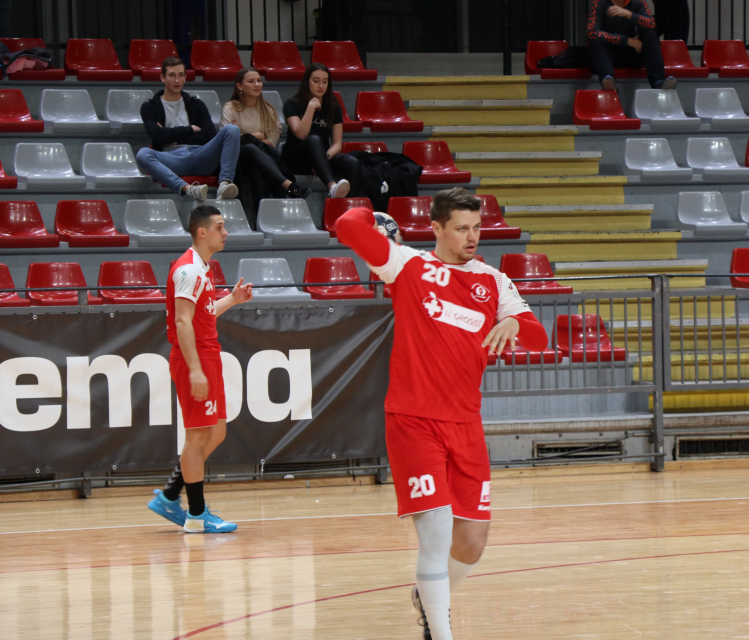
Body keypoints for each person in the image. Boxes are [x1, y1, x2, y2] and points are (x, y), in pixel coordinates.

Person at [334, 188, 549, 640]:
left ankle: (430, 598)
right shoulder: (407, 265)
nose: (472, 237)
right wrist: (373, 212)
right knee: (435, 532)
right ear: (436, 228)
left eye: (477, 228)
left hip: (466, 424)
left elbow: (538, 338)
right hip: (413, 420)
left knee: (471, 543)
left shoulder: (493, 281)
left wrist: (514, 320)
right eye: (461, 228)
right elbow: (348, 225)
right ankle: (440, 630)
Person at [147, 204, 254, 534]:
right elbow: (182, 322)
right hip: (195, 358)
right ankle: (195, 515)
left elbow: (201, 315)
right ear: (202, 232)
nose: (226, 232)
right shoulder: (189, 270)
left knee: (216, 432)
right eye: (220, 227)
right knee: (197, 437)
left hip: (207, 355)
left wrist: (232, 299)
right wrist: (194, 369)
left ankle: (170, 495)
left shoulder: (202, 268)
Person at [137, 57, 240, 202]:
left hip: (201, 155)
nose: (177, 80)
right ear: (162, 78)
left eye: (180, 75)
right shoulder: (149, 107)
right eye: (172, 75)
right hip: (172, 158)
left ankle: (224, 184)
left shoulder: (196, 104)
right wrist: (191, 129)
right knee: (143, 154)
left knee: (232, 129)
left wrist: (171, 137)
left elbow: (209, 133)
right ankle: (188, 188)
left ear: (185, 77)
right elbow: (157, 135)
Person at [221, 67, 309, 201]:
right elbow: (229, 141)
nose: (257, 84)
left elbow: (272, 142)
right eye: (251, 81)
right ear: (239, 86)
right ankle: (288, 185)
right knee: (248, 148)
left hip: (261, 159)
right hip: (237, 160)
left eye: (259, 81)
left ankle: (262, 214)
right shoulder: (230, 108)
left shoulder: (268, 110)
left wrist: (244, 135)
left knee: (256, 167)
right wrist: (259, 135)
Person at [282, 62, 361, 199]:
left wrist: (324, 158)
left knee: (352, 162)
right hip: (296, 157)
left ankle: (349, 206)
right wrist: (311, 107)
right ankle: (332, 186)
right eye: (316, 81)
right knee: (313, 139)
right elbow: (301, 134)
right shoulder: (292, 104)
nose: (321, 86)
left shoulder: (333, 107)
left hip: (323, 156)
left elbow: (337, 143)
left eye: (325, 82)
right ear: (307, 82)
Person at [587, 0, 677, 91]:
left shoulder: (638, 1)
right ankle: (609, 83)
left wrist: (629, 14)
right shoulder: (598, 2)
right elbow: (592, 32)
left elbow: (651, 23)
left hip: (632, 52)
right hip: (607, 56)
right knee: (596, 41)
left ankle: (658, 82)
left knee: (650, 33)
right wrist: (626, 40)